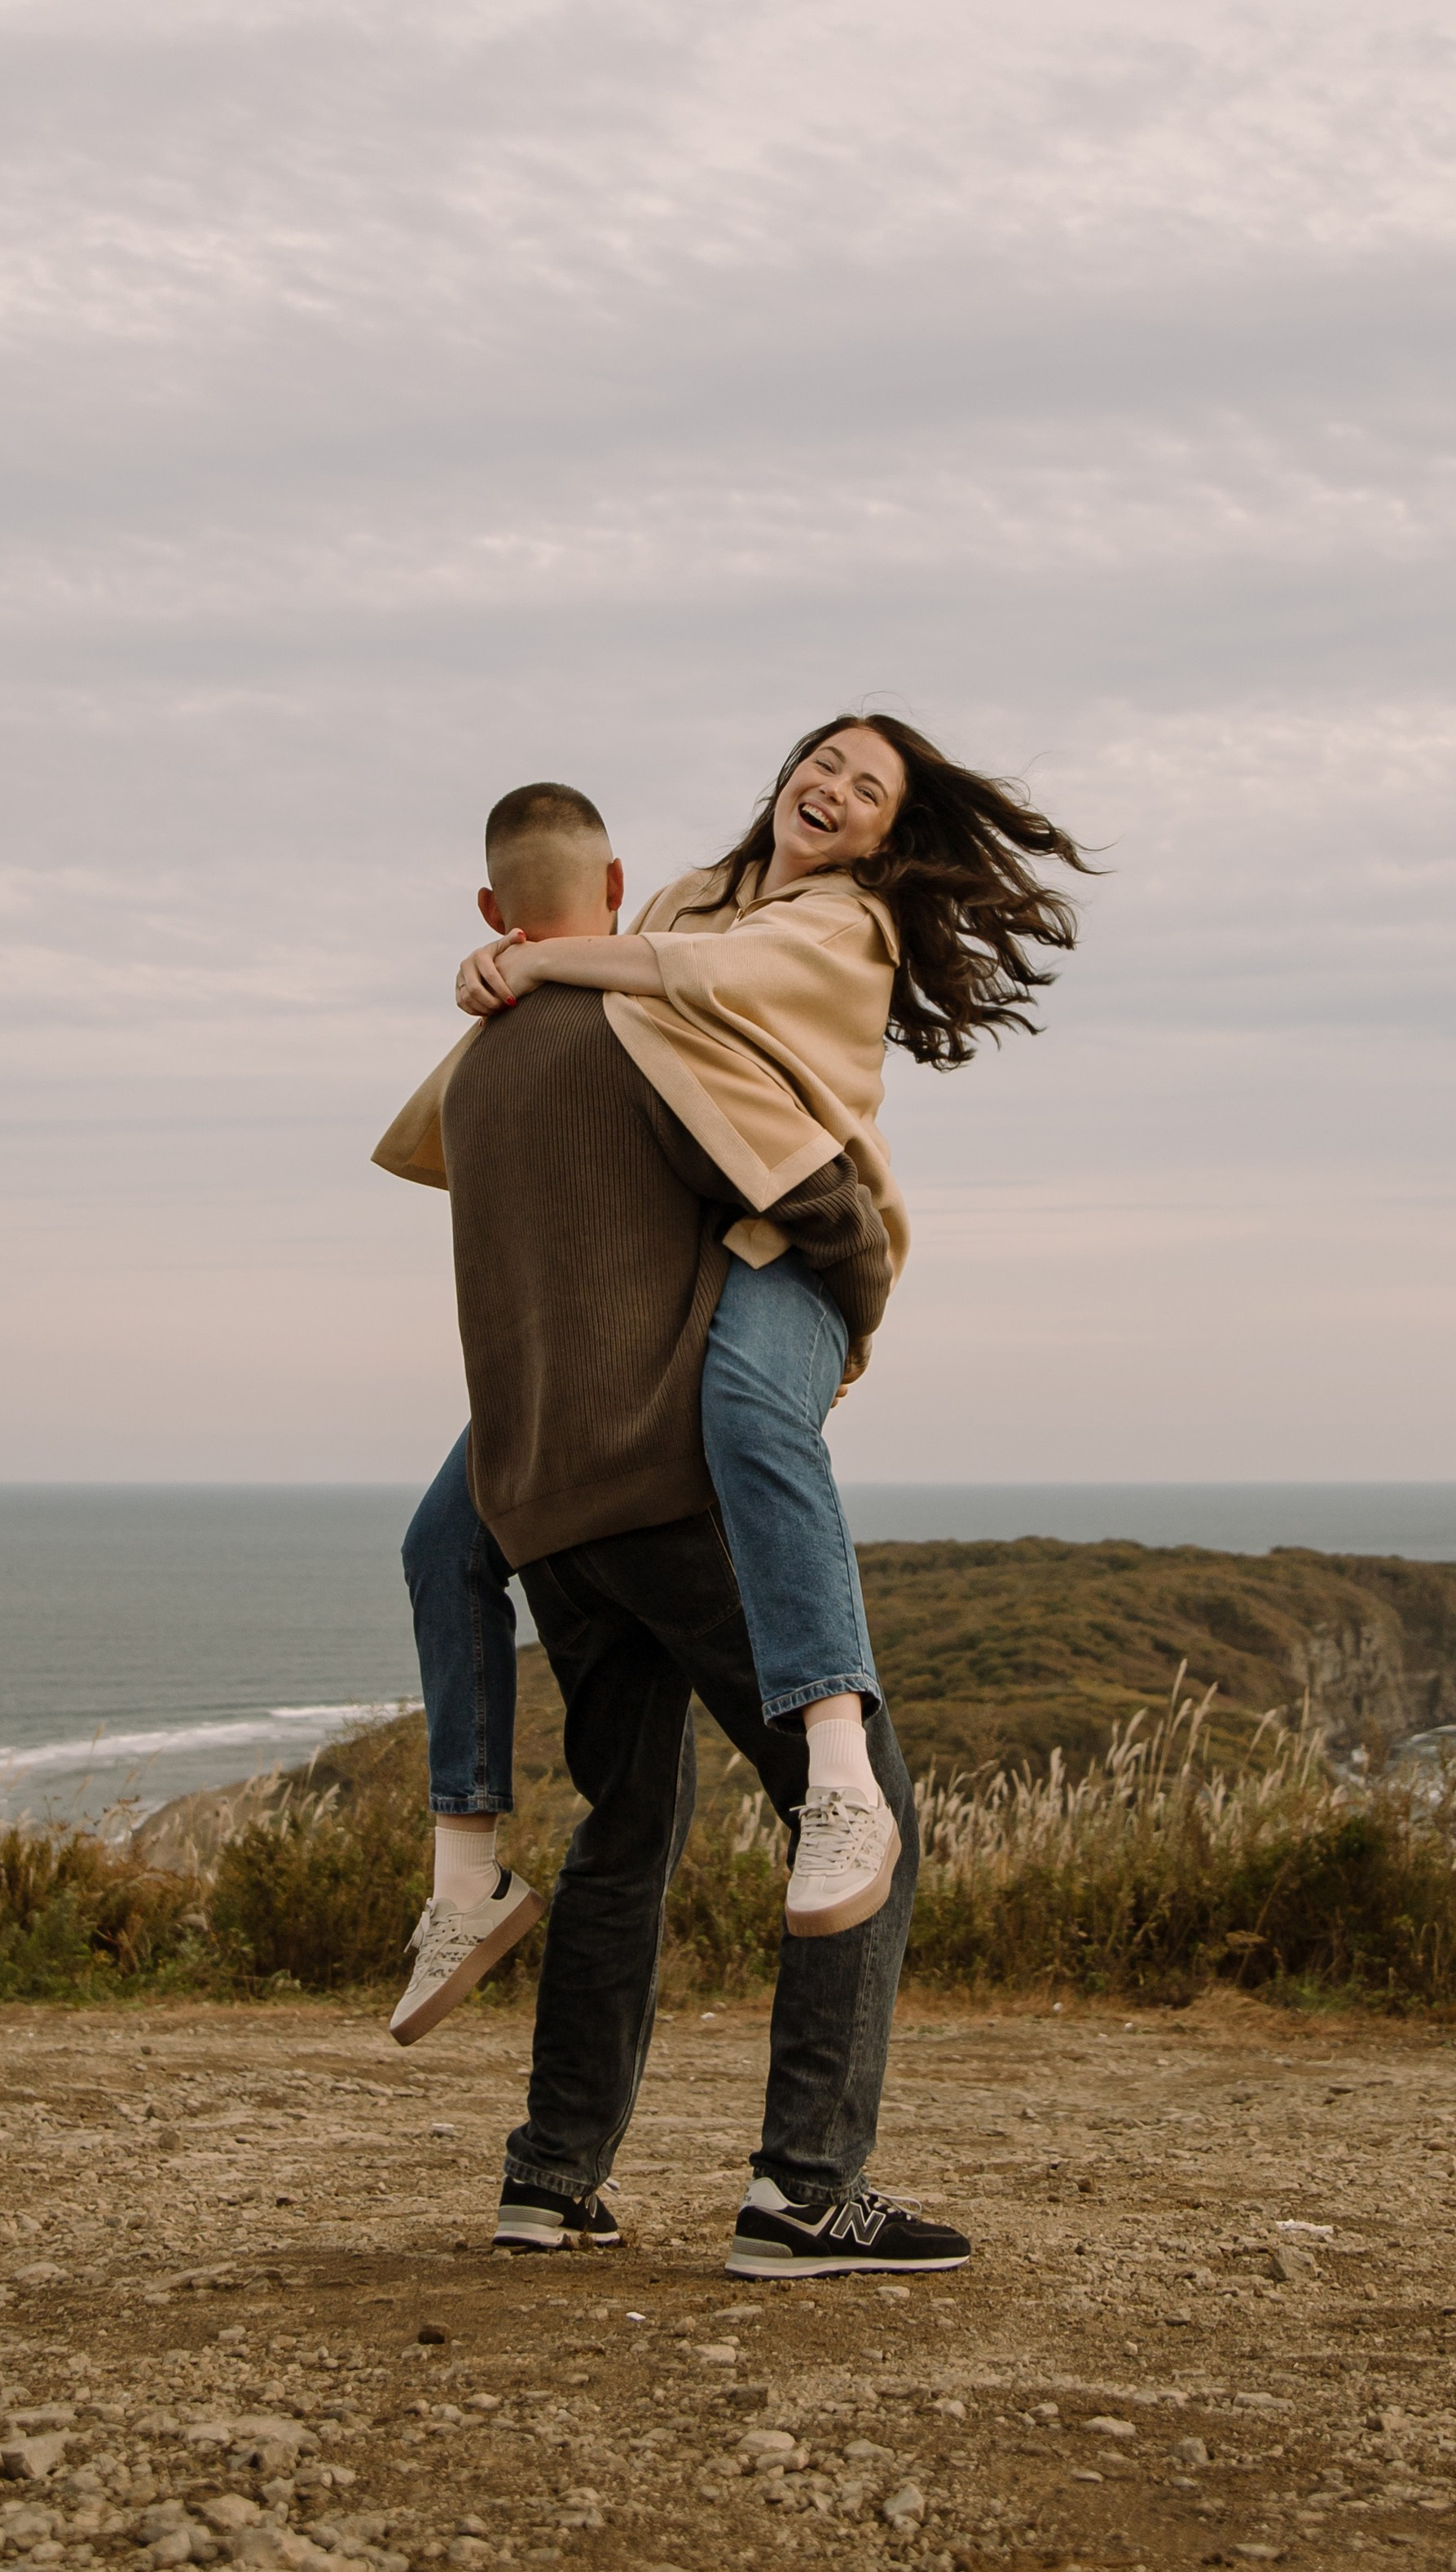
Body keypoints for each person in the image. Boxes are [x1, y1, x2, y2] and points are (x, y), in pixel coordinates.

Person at [375, 716, 1089, 2037]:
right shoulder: (687, 896)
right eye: (824, 764)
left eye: (867, 789)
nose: (835, 790)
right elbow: (612, 1039)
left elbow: (690, 981)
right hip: (689, 1252)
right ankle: (464, 1872)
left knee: (750, 1413)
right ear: (788, 776)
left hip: (798, 1243)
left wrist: (530, 957)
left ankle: (839, 1778)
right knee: (441, 1539)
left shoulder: (846, 923)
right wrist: (513, 988)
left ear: (884, 833)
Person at [417, 892, 971, 2273]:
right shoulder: (650, 1024)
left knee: (625, 1827)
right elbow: (810, 1196)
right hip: (676, 1493)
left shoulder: (484, 1066)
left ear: (497, 909)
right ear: (613, 895)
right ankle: (804, 2192)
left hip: (554, 1519)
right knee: (858, 1809)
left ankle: (549, 2179)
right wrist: (847, 1303)